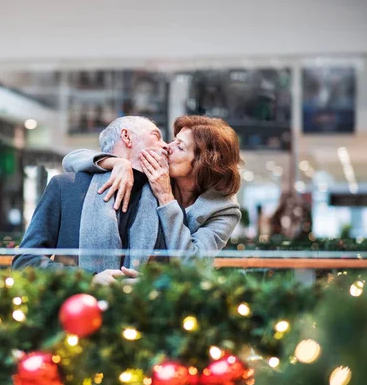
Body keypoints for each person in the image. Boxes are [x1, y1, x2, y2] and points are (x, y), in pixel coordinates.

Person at [12, 116, 169, 285]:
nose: (166, 145)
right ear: (127, 136)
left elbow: (181, 269)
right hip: (74, 307)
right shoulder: (66, 187)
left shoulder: (165, 199)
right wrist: (89, 279)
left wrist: (151, 283)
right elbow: (25, 262)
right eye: (156, 136)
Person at [62, 115, 242, 260]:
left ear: (203, 163)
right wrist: (116, 162)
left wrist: (165, 196)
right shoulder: (153, 172)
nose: (167, 147)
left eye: (179, 146)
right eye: (173, 140)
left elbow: (193, 262)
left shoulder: (224, 210)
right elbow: (72, 159)